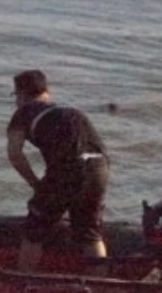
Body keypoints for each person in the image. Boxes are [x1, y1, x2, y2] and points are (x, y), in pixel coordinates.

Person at [6, 69, 109, 273]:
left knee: (34, 230)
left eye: (16, 96)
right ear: (46, 91)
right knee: (89, 232)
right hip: (100, 167)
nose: (16, 101)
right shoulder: (71, 111)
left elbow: (15, 154)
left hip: (69, 169)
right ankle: (101, 283)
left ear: (22, 94)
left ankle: (24, 282)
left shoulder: (24, 113)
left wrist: (36, 184)